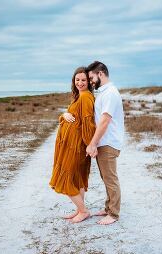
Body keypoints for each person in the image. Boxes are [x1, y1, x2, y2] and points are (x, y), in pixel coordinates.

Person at [49, 66, 96, 223]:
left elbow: (88, 124)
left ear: (88, 82)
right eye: (77, 80)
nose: (80, 82)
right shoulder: (79, 96)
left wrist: (91, 145)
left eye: (83, 80)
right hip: (70, 144)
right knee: (77, 178)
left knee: (67, 178)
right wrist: (64, 114)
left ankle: (83, 211)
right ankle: (79, 209)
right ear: (73, 81)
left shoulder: (85, 97)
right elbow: (73, 117)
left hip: (76, 146)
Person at [84, 61, 125, 225]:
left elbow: (104, 121)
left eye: (91, 77)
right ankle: (108, 208)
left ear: (100, 73)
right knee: (105, 177)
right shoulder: (103, 92)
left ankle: (114, 214)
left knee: (110, 179)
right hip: (104, 142)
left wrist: (92, 143)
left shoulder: (110, 93)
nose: (91, 81)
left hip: (108, 142)